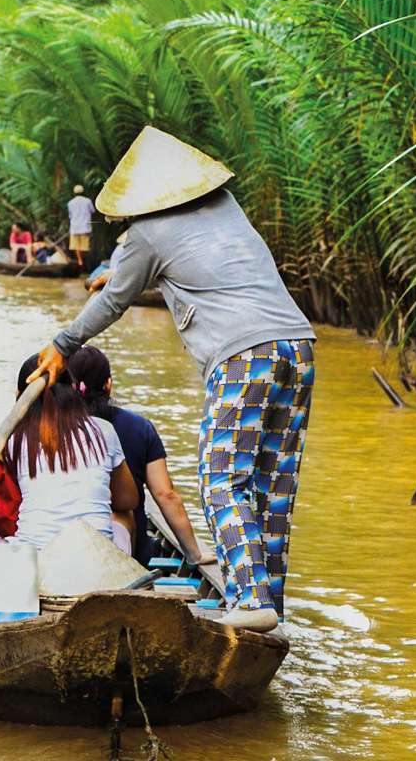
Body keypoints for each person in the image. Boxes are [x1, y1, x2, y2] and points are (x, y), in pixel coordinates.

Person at [29, 127, 316, 633]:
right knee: (272, 488)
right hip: (297, 346)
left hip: (243, 355)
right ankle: (270, 606)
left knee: (221, 478)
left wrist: (61, 345)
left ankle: (249, 598)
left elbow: (116, 300)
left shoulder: (145, 235)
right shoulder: (228, 206)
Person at [68, 346, 208, 569]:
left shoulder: (53, 430)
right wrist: (193, 554)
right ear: (108, 384)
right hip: (132, 550)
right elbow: (165, 494)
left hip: (65, 542)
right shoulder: (140, 428)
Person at [7, 354, 141, 553]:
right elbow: (128, 500)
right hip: (95, 555)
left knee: (0, 531)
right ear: (74, 392)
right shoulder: (104, 429)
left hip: (36, 553)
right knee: (125, 515)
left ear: (19, 395)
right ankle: (126, 575)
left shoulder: (13, 440)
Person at [65, 184, 95, 268]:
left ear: (74, 193)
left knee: (76, 246)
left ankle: (80, 261)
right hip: (85, 227)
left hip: (74, 228)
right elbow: (93, 211)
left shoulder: (70, 203)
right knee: (85, 247)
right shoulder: (87, 201)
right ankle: (85, 263)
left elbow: (70, 216)